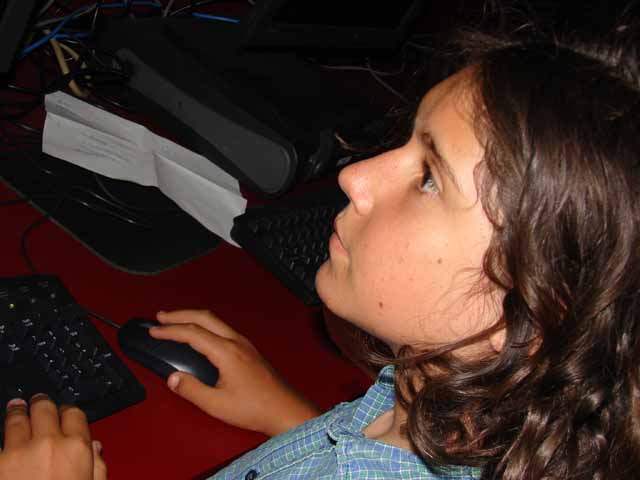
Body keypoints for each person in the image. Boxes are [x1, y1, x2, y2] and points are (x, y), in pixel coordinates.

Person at [2, 11, 640, 479]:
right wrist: (289, 417)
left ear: (534, 309)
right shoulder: (440, 400)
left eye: (428, 178)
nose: (355, 176)